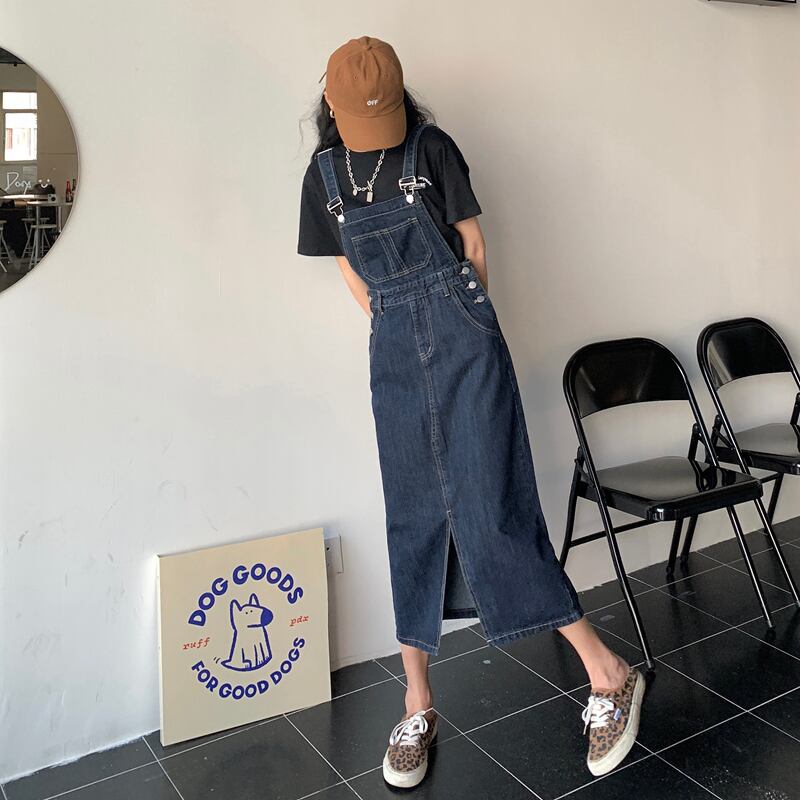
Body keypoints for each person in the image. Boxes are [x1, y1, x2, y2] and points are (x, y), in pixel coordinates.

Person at [297, 35, 645, 789]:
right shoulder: (322, 175)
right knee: (413, 513)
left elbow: (473, 246)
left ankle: (609, 673)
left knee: (492, 503)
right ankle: (417, 703)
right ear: (330, 105)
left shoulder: (432, 149)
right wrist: (393, 320)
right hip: (393, 345)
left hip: (464, 334)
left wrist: (465, 322)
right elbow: (349, 269)